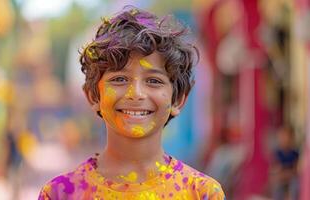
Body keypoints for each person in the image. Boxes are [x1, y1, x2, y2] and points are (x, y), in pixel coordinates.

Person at [38, 6, 225, 199]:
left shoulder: (202, 193)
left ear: (177, 99)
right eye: (119, 79)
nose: (136, 93)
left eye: (153, 81)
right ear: (94, 96)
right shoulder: (61, 193)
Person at [271, 126, 299, 200]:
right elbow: (275, 169)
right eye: (283, 137)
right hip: (280, 178)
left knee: (295, 184)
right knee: (277, 186)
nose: (285, 140)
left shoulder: (294, 153)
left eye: (288, 137)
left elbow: (295, 169)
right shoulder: (277, 153)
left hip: (290, 177)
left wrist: (289, 174)